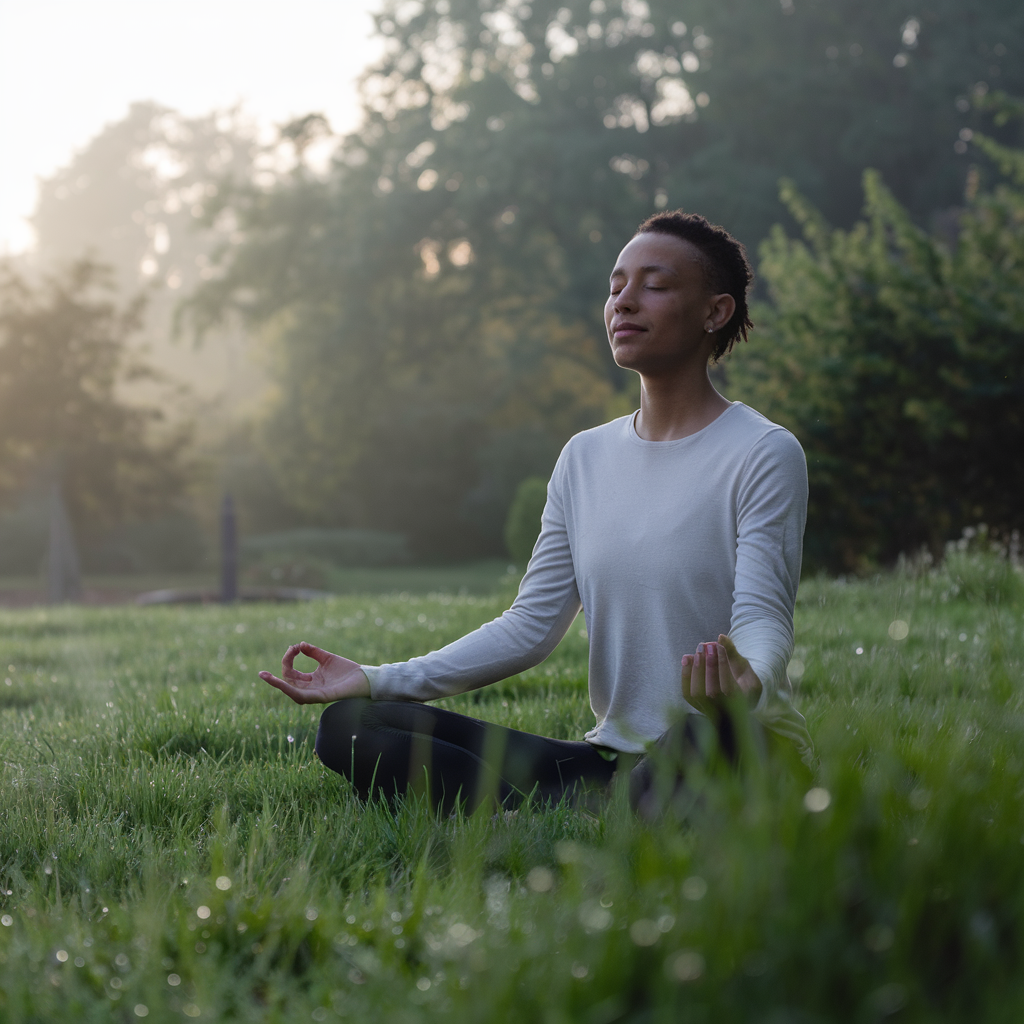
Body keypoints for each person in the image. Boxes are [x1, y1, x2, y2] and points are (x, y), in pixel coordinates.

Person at [259, 210, 813, 816]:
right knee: (354, 726)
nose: (624, 302)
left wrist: (749, 677)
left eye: (653, 286)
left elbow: (762, 617)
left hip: (731, 738)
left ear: (716, 312)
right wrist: (372, 677)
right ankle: (578, 807)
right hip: (613, 758)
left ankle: (551, 808)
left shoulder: (762, 452)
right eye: (615, 286)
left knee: (696, 739)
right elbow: (529, 626)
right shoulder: (585, 457)